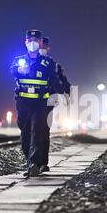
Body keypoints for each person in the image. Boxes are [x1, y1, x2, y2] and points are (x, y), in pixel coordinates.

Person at [10, 30, 64, 177]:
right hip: (23, 102)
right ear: (25, 42)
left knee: (37, 131)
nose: (32, 43)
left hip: (41, 102)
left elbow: (54, 79)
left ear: (40, 43)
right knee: (25, 133)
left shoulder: (47, 62)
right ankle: (31, 161)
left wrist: (62, 92)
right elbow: (13, 71)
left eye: (35, 40)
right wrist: (21, 70)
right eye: (29, 40)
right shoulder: (19, 60)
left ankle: (34, 163)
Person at [39, 36, 71, 173]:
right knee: (32, 131)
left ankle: (42, 163)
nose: (41, 50)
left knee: (43, 132)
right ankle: (33, 162)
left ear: (48, 48)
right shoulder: (29, 63)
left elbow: (64, 82)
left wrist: (67, 95)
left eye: (43, 47)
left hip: (47, 103)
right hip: (30, 102)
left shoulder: (54, 66)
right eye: (40, 47)